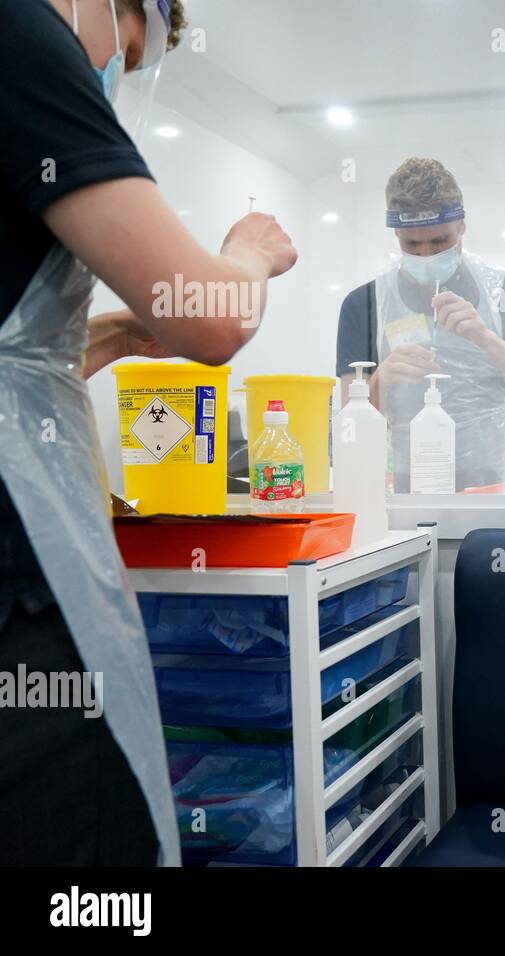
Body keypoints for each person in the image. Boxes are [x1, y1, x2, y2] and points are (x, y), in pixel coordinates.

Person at [0, 0, 298, 865]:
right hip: (21, 575)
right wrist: (247, 251)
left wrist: (127, 334)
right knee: (89, 833)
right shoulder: (25, 33)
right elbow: (211, 320)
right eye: (131, 48)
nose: (120, 71)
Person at [335, 158, 505, 494]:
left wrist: (486, 339)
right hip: (411, 484)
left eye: (439, 242)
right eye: (412, 245)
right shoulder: (365, 304)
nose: (426, 255)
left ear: (462, 227)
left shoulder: (500, 289)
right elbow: (351, 426)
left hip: (497, 481)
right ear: (396, 233)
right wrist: (384, 378)